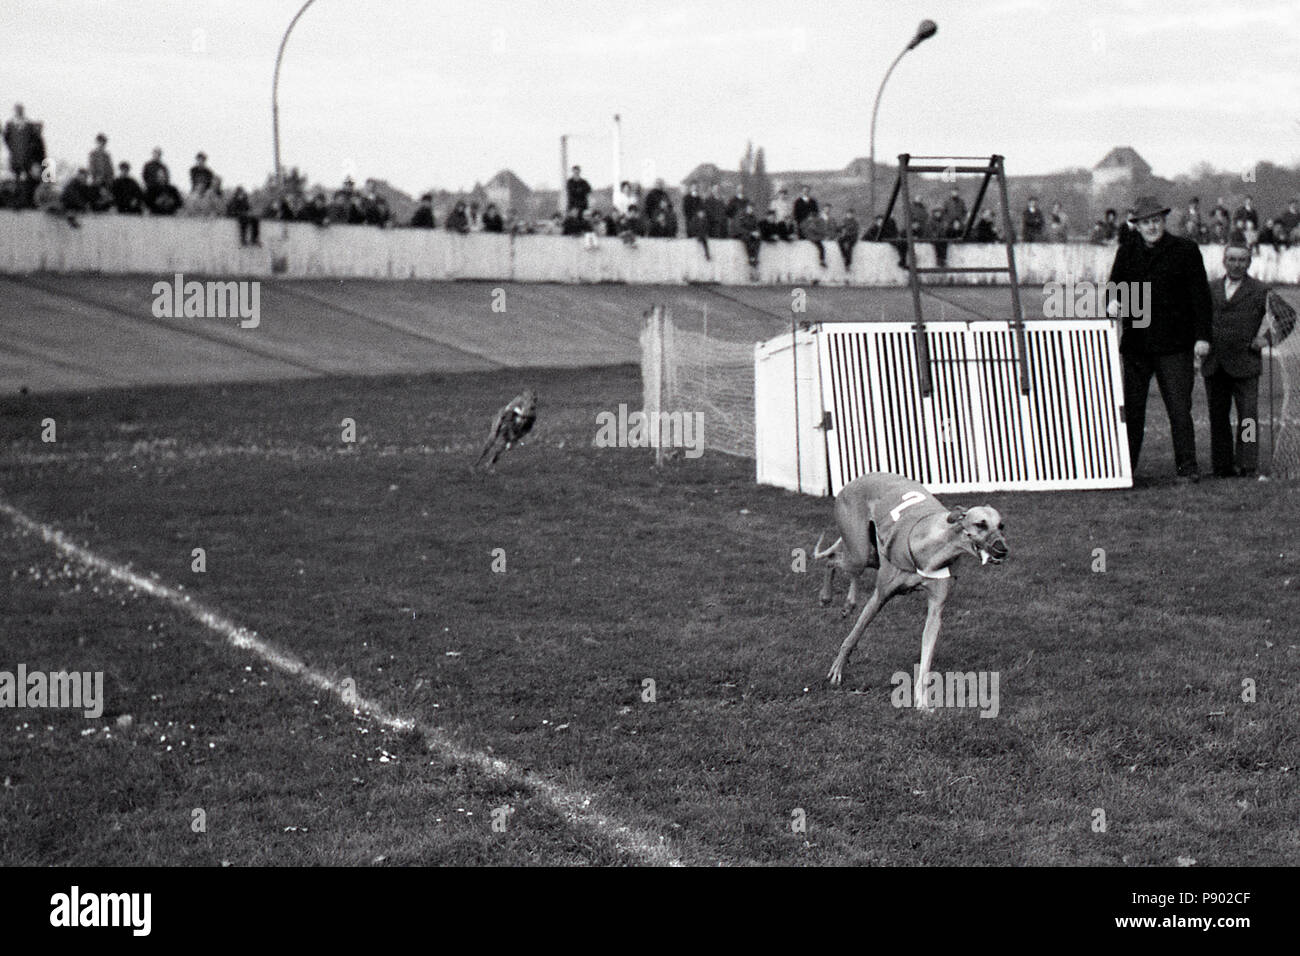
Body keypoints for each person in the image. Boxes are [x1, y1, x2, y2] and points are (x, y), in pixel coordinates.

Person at [1107, 195, 1213, 481]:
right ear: (1137, 226)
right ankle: (1125, 471)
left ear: (1164, 221)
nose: (1151, 227)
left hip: (1175, 344)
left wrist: (1202, 337)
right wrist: (1114, 301)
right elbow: (1114, 287)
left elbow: (1201, 297)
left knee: (1179, 409)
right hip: (1137, 345)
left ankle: (1187, 469)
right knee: (1132, 409)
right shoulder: (1127, 251)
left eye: (1156, 221)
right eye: (1145, 223)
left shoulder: (1186, 250)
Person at [1202, 234, 1281, 478]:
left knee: (1247, 418)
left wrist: (1266, 339)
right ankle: (1222, 465)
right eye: (1232, 260)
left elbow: (1286, 318)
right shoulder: (1210, 287)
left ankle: (1247, 464)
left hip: (1246, 362)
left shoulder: (1260, 290)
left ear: (1249, 263)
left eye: (1242, 260)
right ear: (1224, 261)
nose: (1237, 264)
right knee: (1218, 417)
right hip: (1214, 362)